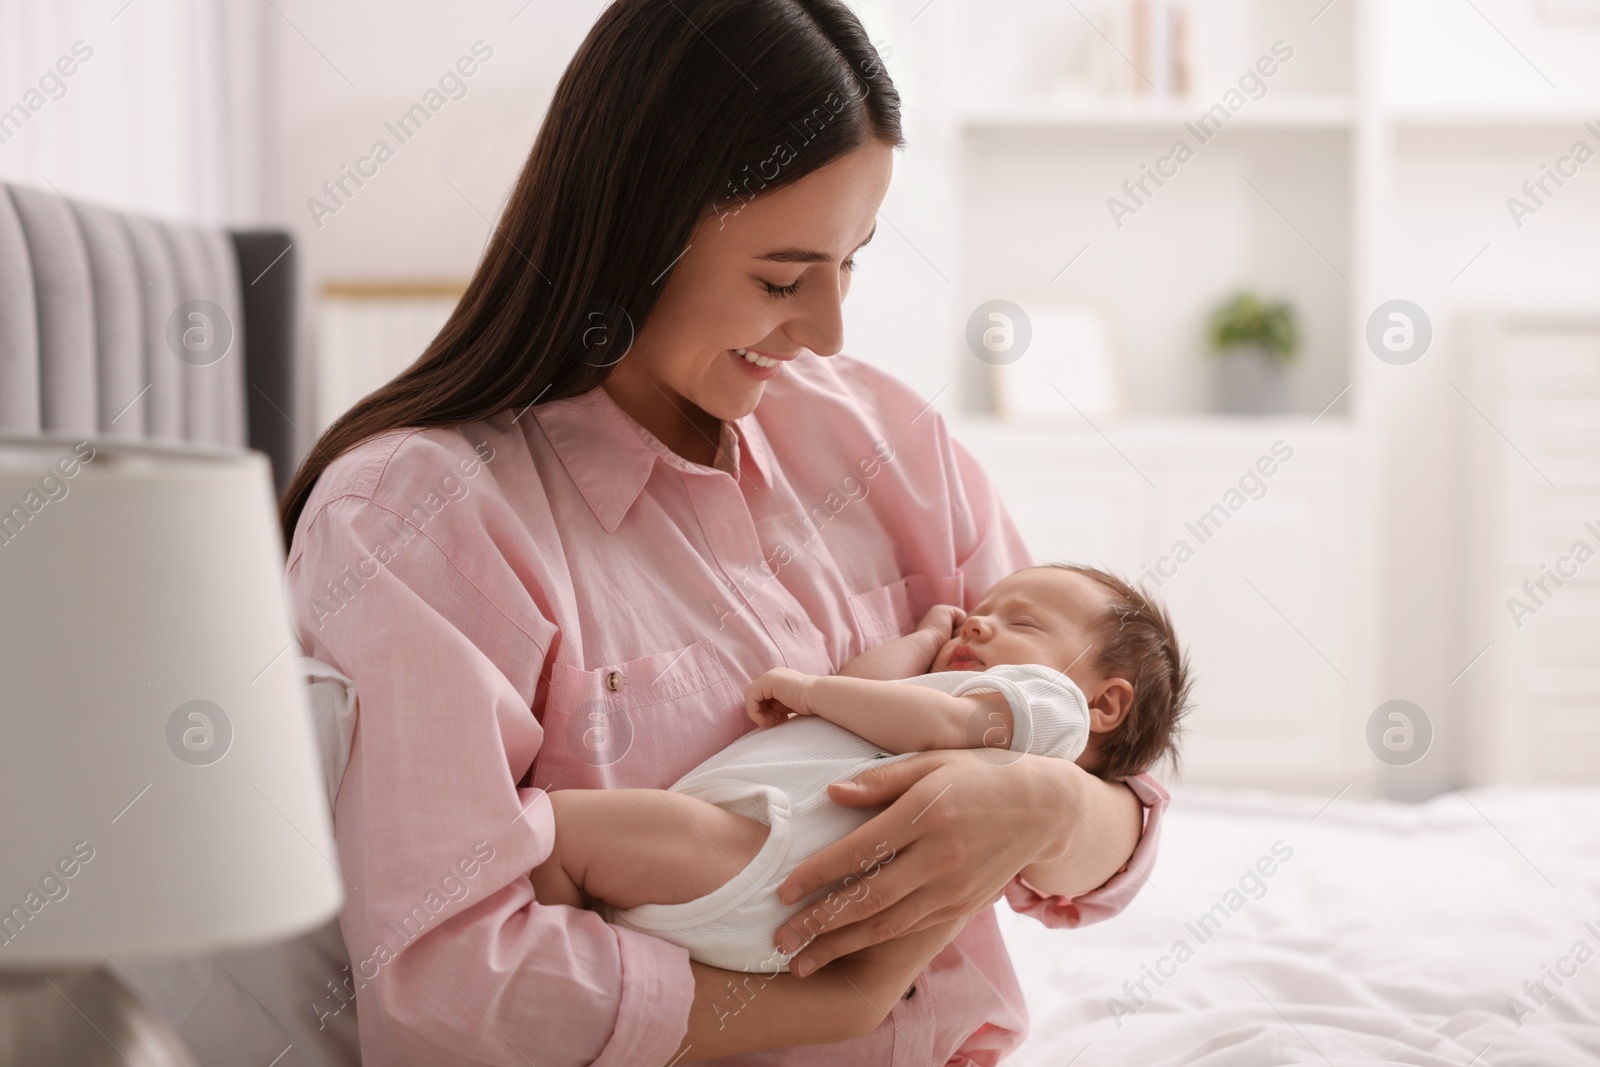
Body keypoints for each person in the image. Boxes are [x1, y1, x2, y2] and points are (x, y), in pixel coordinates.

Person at [279, 1, 1170, 1063]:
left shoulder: (887, 439)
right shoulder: (417, 519)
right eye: (781, 279)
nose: (827, 330)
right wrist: (830, 1004)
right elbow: (445, 988)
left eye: (853, 263)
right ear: (634, 226)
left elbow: (1125, 784)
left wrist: (1041, 805)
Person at [527, 564, 1189, 976]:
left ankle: (567, 974)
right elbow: (864, 692)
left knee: (558, 831)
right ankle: (594, 969)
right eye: (981, 611)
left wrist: (810, 691)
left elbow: (923, 719)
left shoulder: (1052, 710)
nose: (980, 623)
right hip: (778, 907)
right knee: (575, 846)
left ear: (1106, 701)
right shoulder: (951, 695)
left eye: (1020, 620)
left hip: (764, 857)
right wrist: (928, 641)